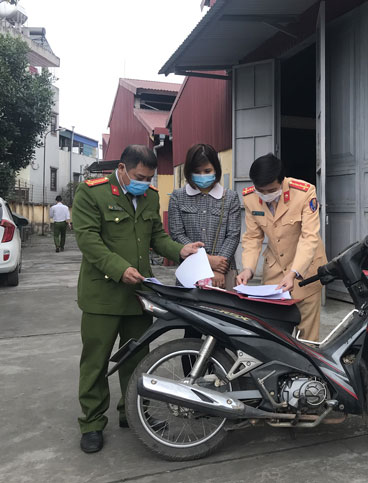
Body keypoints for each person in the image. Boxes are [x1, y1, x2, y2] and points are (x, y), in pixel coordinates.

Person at [72, 144, 203, 454]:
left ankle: (131, 413)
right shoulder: (91, 192)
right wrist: (119, 269)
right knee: (96, 362)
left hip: (139, 295)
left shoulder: (150, 196)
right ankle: (92, 423)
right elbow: (88, 240)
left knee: (137, 359)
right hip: (102, 296)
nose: (144, 183)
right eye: (139, 177)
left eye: (149, 178)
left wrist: (180, 250)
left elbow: (157, 237)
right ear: (122, 169)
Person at [236, 153, 327, 341]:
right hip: (275, 270)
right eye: (261, 190)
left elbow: (309, 237)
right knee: (273, 333)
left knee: (307, 336)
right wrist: (248, 268)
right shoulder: (250, 197)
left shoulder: (304, 193)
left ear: (282, 180)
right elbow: (253, 237)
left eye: (271, 190)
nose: (266, 195)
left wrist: (294, 272)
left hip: (306, 271)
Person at [168, 143, 241, 290]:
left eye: (207, 171)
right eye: (197, 171)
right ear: (189, 171)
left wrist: (219, 267)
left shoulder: (230, 197)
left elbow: (233, 235)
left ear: (216, 169)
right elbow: (177, 234)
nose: (202, 175)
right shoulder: (178, 197)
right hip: (190, 272)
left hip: (223, 273)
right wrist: (206, 261)